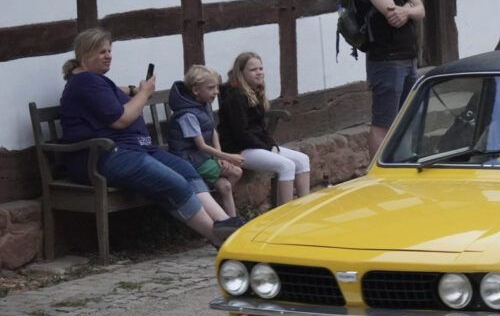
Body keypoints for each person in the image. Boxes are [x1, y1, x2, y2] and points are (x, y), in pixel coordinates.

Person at [58, 29, 239, 246]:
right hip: (107, 156)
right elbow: (121, 120)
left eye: (109, 50)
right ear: (83, 54)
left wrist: (134, 90)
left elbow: (112, 90)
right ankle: (220, 238)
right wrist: (144, 93)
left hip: (135, 149)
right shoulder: (86, 81)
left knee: (186, 171)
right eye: (101, 52)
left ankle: (225, 222)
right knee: (175, 183)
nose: (108, 55)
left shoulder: (93, 80)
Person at [355, 0, 426, 158]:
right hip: (386, 60)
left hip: (407, 58)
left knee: (405, 118)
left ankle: (401, 164)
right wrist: (408, 9)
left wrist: (406, 10)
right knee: (384, 121)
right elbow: (392, 14)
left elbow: (420, 10)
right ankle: (376, 172)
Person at [217, 52, 311, 206]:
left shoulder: (254, 93)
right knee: (286, 165)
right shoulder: (235, 97)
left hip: (256, 145)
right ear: (240, 73)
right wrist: (267, 147)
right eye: (253, 70)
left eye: (261, 68)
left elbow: (261, 128)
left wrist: (272, 145)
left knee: (303, 160)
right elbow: (242, 134)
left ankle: (304, 208)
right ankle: (285, 213)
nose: (259, 72)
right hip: (239, 150)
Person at [168, 65, 244, 217]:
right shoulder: (187, 115)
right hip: (188, 160)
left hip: (200, 157)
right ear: (196, 90)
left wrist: (219, 155)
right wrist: (227, 157)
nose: (216, 92)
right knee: (236, 171)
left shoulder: (203, 105)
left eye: (216, 87)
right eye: (211, 88)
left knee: (225, 186)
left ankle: (231, 222)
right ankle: (216, 209)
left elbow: (213, 131)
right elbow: (201, 145)